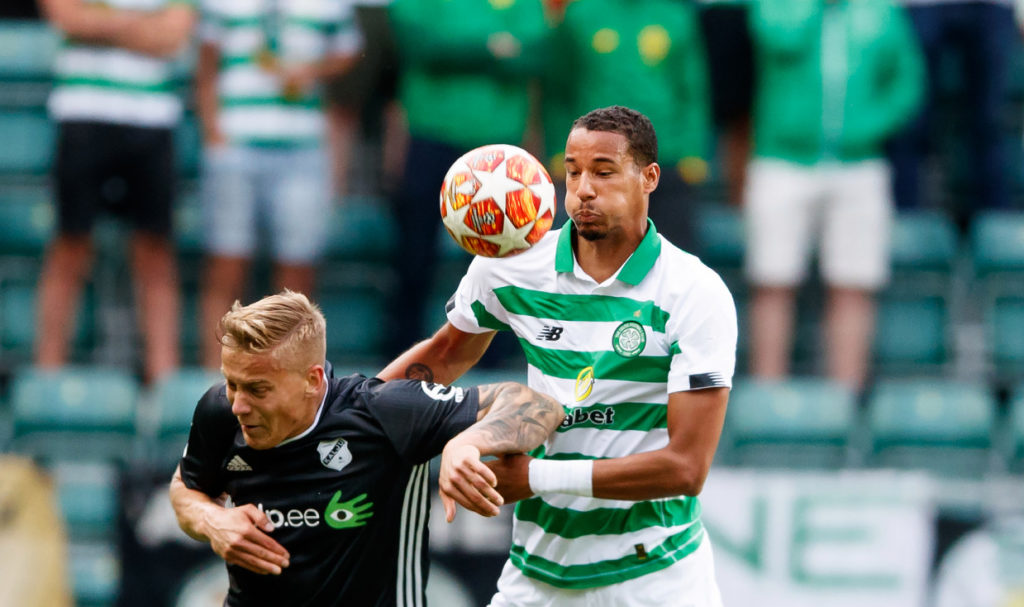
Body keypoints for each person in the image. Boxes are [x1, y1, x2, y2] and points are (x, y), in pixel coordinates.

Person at [380, 106, 737, 606]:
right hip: (536, 574)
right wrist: (350, 418)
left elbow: (686, 468)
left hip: (655, 577)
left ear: (649, 177)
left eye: (603, 172)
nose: (583, 188)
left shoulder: (693, 292)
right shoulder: (509, 268)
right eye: (572, 171)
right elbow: (443, 357)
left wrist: (534, 477)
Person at [169, 290, 566, 606]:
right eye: (231, 384)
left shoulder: (383, 412)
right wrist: (211, 520)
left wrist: (468, 443)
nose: (238, 405)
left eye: (258, 389)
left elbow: (537, 406)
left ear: (312, 380)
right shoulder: (219, 412)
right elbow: (187, 488)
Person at [744, 0, 925, 390]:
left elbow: (907, 80)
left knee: (853, 285)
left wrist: (871, 124)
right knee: (772, 281)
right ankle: (767, 400)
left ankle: (844, 405)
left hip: (859, 164)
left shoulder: (880, 12)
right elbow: (780, 39)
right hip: (781, 159)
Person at [195, 0, 363, 369]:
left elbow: (349, 52)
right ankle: (217, 373)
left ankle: (288, 374)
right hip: (235, 142)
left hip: (302, 146)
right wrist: (213, 133)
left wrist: (311, 71)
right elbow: (205, 64)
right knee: (226, 263)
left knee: (297, 271)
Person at [35, 0, 195, 383]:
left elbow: (173, 36)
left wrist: (102, 21)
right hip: (82, 114)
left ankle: (163, 380)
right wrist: (143, 24)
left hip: (153, 118)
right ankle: (47, 375)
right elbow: (66, 18)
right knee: (70, 243)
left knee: (156, 249)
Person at [385, 0, 551, 358]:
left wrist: (459, 48)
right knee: (415, 251)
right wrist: (492, 48)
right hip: (431, 133)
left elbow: (535, 55)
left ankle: (493, 352)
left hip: (497, 147)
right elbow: (422, 46)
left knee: (498, 256)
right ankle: (404, 347)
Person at [540, 0, 712, 250]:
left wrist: (692, 150)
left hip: (667, 158)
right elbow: (558, 88)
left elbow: (692, 89)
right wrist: (558, 147)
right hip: (597, 160)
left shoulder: (676, 16)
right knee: (596, 253)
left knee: (671, 253)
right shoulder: (578, 15)